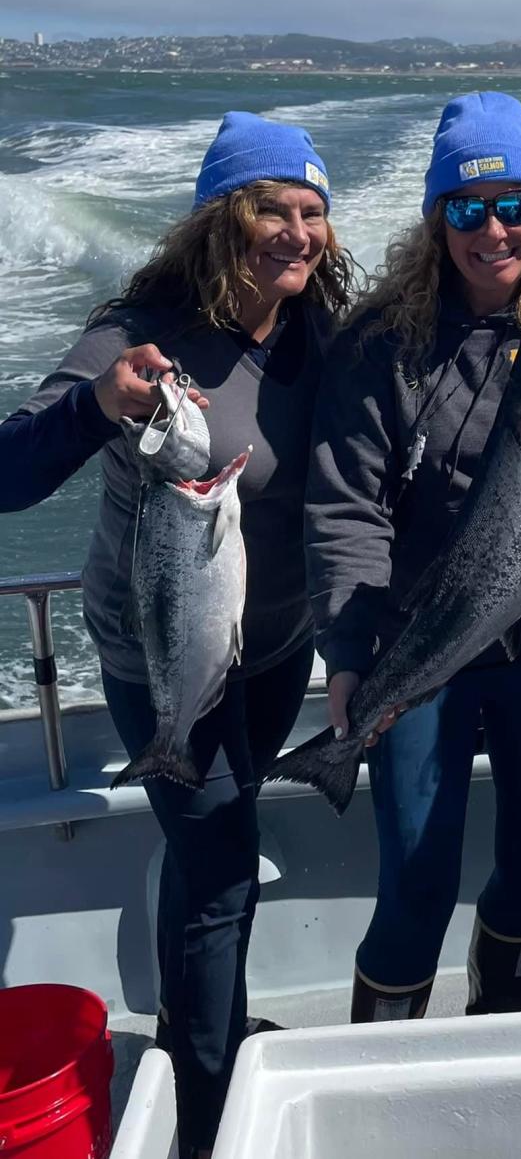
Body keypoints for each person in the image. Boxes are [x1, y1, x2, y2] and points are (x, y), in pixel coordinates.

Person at [0, 112, 354, 1156]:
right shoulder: (135, 331)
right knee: (220, 860)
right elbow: (11, 475)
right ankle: (209, 1111)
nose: (296, 232)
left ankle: (205, 1033)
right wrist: (99, 406)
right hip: (160, 647)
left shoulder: (316, 334)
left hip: (275, 645)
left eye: (312, 212)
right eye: (271, 211)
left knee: (216, 861)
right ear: (219, 220)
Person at [304, 90, 521, 1023]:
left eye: (515, 204)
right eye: (465, 208)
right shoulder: (381, 344)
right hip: (418, 648)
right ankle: (377, 1069)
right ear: (435, 220)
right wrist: (350, 656)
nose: (494, 229)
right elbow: (345, 505)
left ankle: (496, 1045)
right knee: (415, 883)